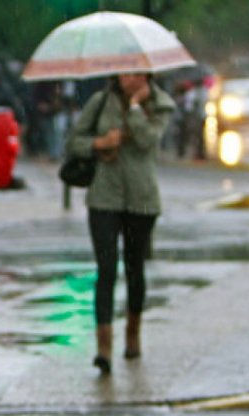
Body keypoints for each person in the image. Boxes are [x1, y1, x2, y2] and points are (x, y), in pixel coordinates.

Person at [65, 72, 175, 375]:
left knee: (134, 267)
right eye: (126, 71)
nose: (131, 78)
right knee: (107, 268)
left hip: (142, 199)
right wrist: (101, 142)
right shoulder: (101, 101)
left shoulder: (161, 104)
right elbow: (74, 142)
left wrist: (137, 109)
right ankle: (103, 347)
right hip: (104, 197)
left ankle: (133, 335)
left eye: (137, 72)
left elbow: (146, 140)